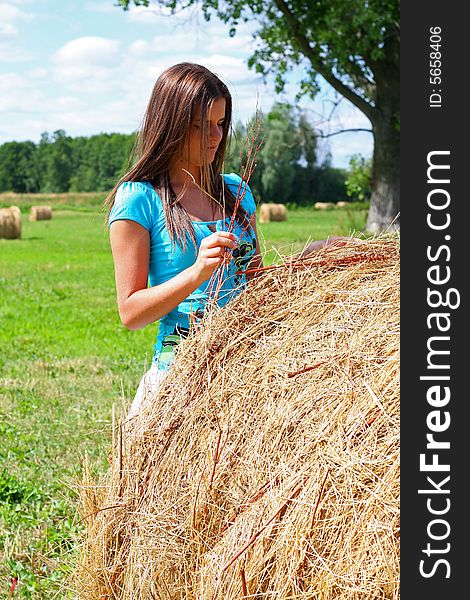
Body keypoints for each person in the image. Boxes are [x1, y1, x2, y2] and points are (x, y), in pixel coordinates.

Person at [105, 63, 262, 418]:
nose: (215, 136)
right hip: (180, 375)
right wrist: (196, 273)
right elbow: (131, 312)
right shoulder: (139, 200)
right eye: (201, 125)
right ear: (170, 124)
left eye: (221, 124)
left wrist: (315, 260)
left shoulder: (237, 192)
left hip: (250, 367)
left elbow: (258, 284)